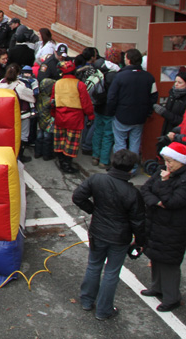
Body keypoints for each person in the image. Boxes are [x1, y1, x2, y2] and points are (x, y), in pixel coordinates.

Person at [72, 149, 148, 321]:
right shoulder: (133, 193)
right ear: (131, 169)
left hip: (98, 232)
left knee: (93, 265)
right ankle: (104, 310)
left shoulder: (97, 179)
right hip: (119, 238)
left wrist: (94, 211)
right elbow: (138, 221)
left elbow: (78, 197)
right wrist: (140, 242)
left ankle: (86, 300)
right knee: (111, 273)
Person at [140, 141, 186, 313]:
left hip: (173, 229)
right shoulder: (162, 172)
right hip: (156, 224)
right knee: (156, 258)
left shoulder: (181, 179)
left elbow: (173, 202)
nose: (168, 164)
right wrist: (157, 202)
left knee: (169, 263)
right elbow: (145, 190)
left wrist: (163, 186)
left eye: (171, 161)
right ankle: (157, 287)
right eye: (166, 160)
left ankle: (172, 297)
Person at [105, 48, 158, 160]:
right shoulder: (149, 77)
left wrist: (110, 112)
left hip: (121, 114)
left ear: (128, 60)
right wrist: (148, 112)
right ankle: (132, 167)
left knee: (120, 142)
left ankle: (120, 165)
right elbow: (154, 97)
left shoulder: (120, 76)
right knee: (135, 142)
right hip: (140, 116)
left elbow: (111, 97)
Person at [52, 61, 95, 174]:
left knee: (60, 140)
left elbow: (53, 101)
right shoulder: (79, 84)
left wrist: (53, 114)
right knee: (71, 142)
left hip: (60, 116)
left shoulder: (57, 84)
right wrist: (90, 115)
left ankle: (61, 161)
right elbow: (86, 102)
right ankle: (67, 164)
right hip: (75, 118)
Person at [0, 64, 35, 162]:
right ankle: (20, 156)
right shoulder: (20, 86)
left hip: (6, 114)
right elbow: (32, 97)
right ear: (18, 74)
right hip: (21, 114)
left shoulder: (1, 83)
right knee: (23, 135)